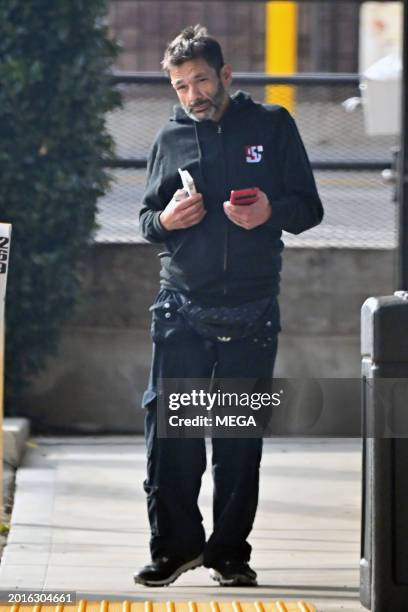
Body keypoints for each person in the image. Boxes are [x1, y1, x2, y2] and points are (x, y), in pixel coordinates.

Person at [134, 25, 323, 588]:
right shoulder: (169, 139)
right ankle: (174, 549)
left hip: (252, 308)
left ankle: (229, 554)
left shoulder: (271, 125)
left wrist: (270, 211)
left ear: (225, 75)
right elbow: (147, 222)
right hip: (181, 308)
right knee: (174, 437)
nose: (192, 94)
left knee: (238, 440)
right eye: (180, 85)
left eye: (200, 80)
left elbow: (308, 208)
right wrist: (167, 220)